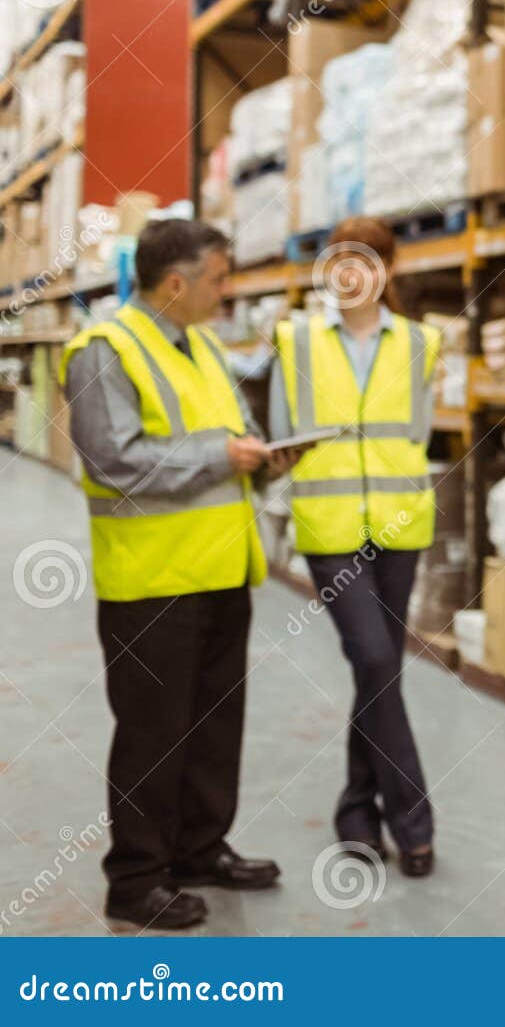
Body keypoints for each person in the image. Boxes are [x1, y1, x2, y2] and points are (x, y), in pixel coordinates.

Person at [61, 219, 295, 930]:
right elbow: (115, 461)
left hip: (220, 571)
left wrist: (261, 459)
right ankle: (135, 880)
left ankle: (198, 848)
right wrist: (224, 457)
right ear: (176, 282)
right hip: (153, 583)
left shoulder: (202, 347)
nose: (228, 294)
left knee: (214, 725)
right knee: (153, 734)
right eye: (220, 279)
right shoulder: (103, 352)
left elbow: (213, 443)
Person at [269, 217, 441, 878]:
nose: (350, 273)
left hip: (401, 523)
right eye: (338, 260)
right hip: (330, 524)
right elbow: (286, 434)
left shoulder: (425, 342)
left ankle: (356, 812)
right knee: (372, 656)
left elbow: (417, 432)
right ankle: (414, 819)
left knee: (380, 671)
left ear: (387, 270)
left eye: (365, 260)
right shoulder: (296, 340)